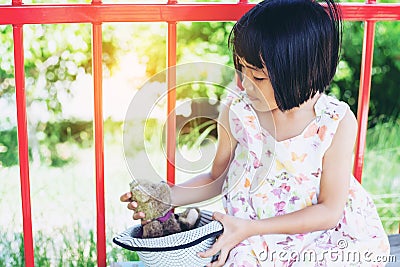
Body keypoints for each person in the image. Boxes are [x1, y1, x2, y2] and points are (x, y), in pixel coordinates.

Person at [120, 0, 390, 266]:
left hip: (324, 235)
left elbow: (329, 211)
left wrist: (250, 228)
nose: (246, 84)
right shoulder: (237, 112)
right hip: (253, 235)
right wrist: (166, 196)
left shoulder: (334, 121)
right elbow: (218, 177)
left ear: (304, 72)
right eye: (241, 70)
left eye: (258, 77)